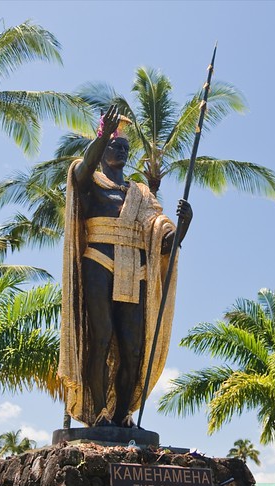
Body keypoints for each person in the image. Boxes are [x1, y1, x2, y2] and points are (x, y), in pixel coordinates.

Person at [59, 106, 192, 427]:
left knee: (133, 348)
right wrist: (103, 135)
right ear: (102, 149)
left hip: (134, 269)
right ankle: (99, 412)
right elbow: (82, 171)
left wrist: (183, 225)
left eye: (124, 147)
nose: (120, 150)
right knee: (101, 337)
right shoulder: (90, 179)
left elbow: (164, 240)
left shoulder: (141, 194)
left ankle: (122, 415)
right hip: (98, 261)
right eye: (114, 145)